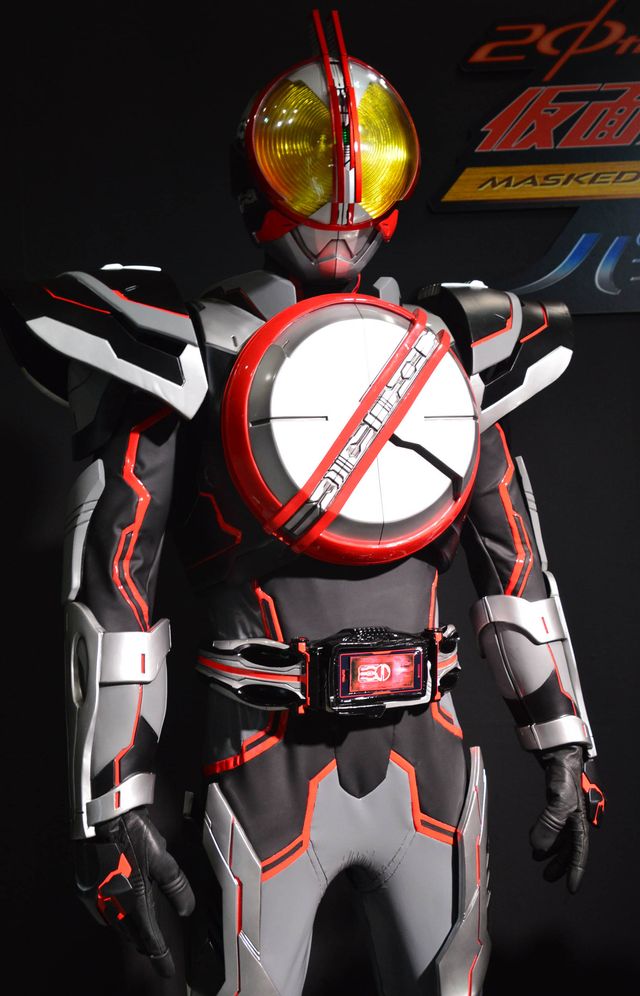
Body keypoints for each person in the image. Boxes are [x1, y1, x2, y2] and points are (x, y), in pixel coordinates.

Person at [0, 10, 604, 995]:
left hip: (429, 757)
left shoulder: (454, 350)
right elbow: (115, 588)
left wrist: (565, 741)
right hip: (264, 763)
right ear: (260, 177)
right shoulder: (184, 350)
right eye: (307, 158)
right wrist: (107, 809)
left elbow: (516, 563)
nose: (340, 185)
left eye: (365, 155)